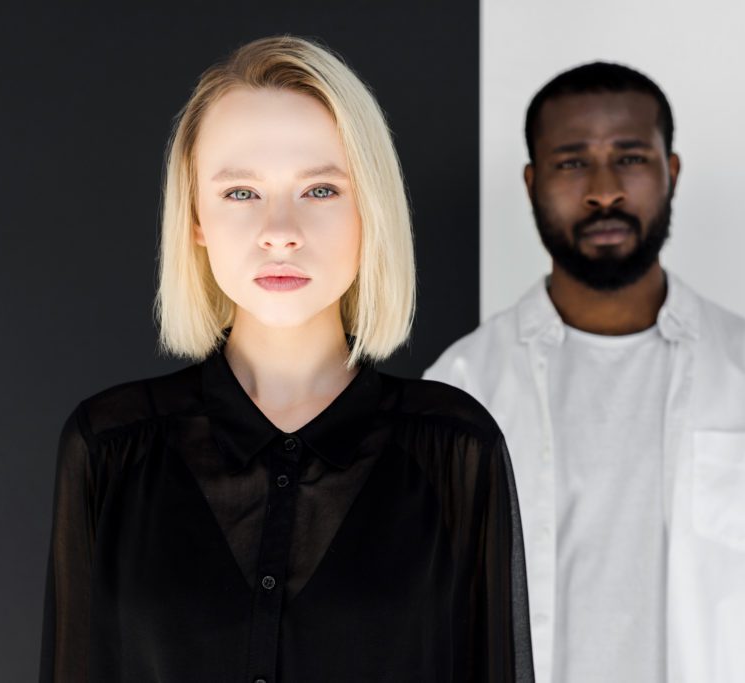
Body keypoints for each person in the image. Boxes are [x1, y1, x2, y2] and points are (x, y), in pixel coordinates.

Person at [40, 36, 533, 683]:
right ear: (195, 217)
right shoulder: (109, 447)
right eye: (241, 192)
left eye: (321, 190)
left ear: (369, 210)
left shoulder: (455, 450)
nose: (280, 229)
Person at [425, 62, 745, 682]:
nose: (604, 191)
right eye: (571, 162)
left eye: (630, 158)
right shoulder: (463, 387)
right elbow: (431, 618)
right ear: (533, 182)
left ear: (670, 171)